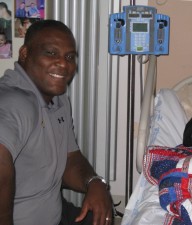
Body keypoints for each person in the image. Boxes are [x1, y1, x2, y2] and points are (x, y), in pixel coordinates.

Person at [0, 20, 112, 225]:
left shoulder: (58, 99)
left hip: (55, 212)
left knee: (102, 218)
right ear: (25, 53)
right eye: (51, 53)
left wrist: (94, 182)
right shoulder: (13, 102)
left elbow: (69, 158)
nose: (63, 63)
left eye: (69, 57)